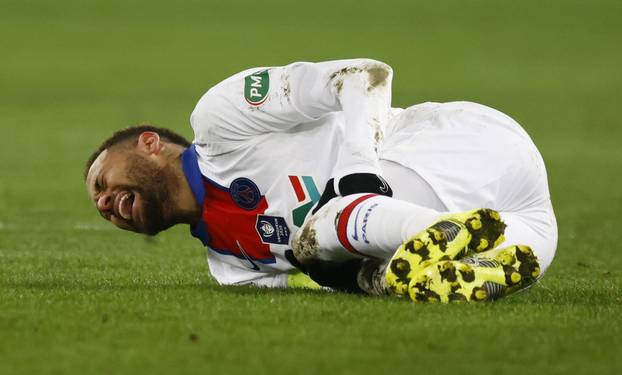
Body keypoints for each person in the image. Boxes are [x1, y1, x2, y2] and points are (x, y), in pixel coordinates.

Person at [84, 59, 557, 302]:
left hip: (460, 145)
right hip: (526, 227)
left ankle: (428, 242)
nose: (105, 203)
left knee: (321, 229)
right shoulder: (232, 268)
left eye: (103, 181)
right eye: (99, 205)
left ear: (149, 143)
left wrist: (355, 172)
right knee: (344, 265)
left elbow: (362, 73)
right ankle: (459, 262)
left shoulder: (220, 119)